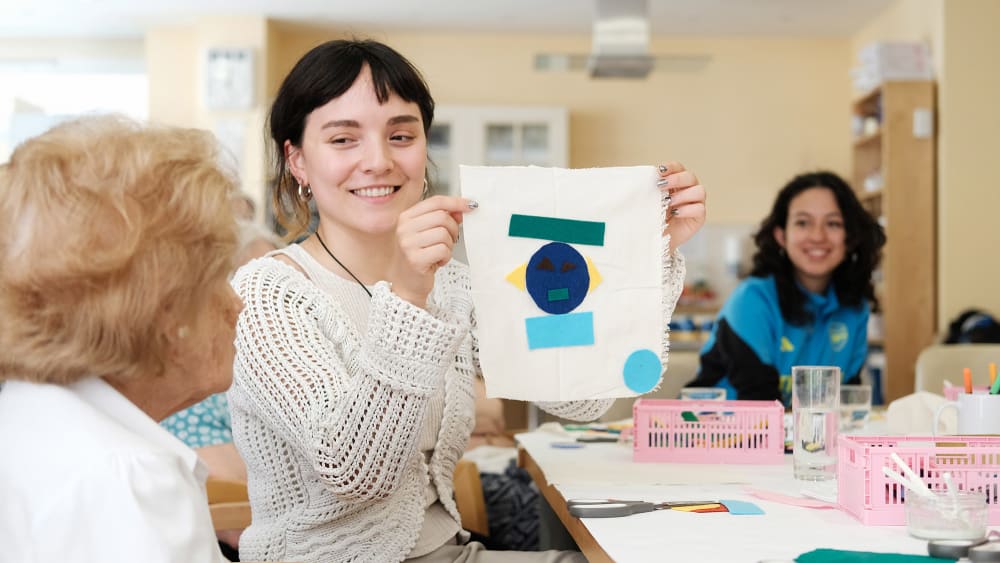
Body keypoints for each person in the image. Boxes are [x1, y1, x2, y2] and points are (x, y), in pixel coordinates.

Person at [229, 38, 706, 563]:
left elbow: (581, 400)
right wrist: (412, 296)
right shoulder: (268, 292)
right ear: (296, 160)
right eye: (344, 139)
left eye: (402, 135)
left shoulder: (454, 284)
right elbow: (355, 473)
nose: (379, 160)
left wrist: (650, 253)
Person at [0, 115, 243, 562]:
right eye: (220, 279)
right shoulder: (131, 480)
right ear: (161, 311)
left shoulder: (25, 409)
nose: (237, 304)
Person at [686, 170, 885, 405]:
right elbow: (761, 404)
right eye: (803, 222)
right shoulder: (753, 299)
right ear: (781, 235)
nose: (817, 236)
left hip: (795, 438)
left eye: (833, 223)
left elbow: (844, 405)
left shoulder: (854, 308)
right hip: (711, 433)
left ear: (850, 236)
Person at [160, 215, 285, 557]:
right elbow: (232, 512)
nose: (262, 300)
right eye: (251, 282)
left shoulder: (284, 364)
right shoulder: (199, 384)